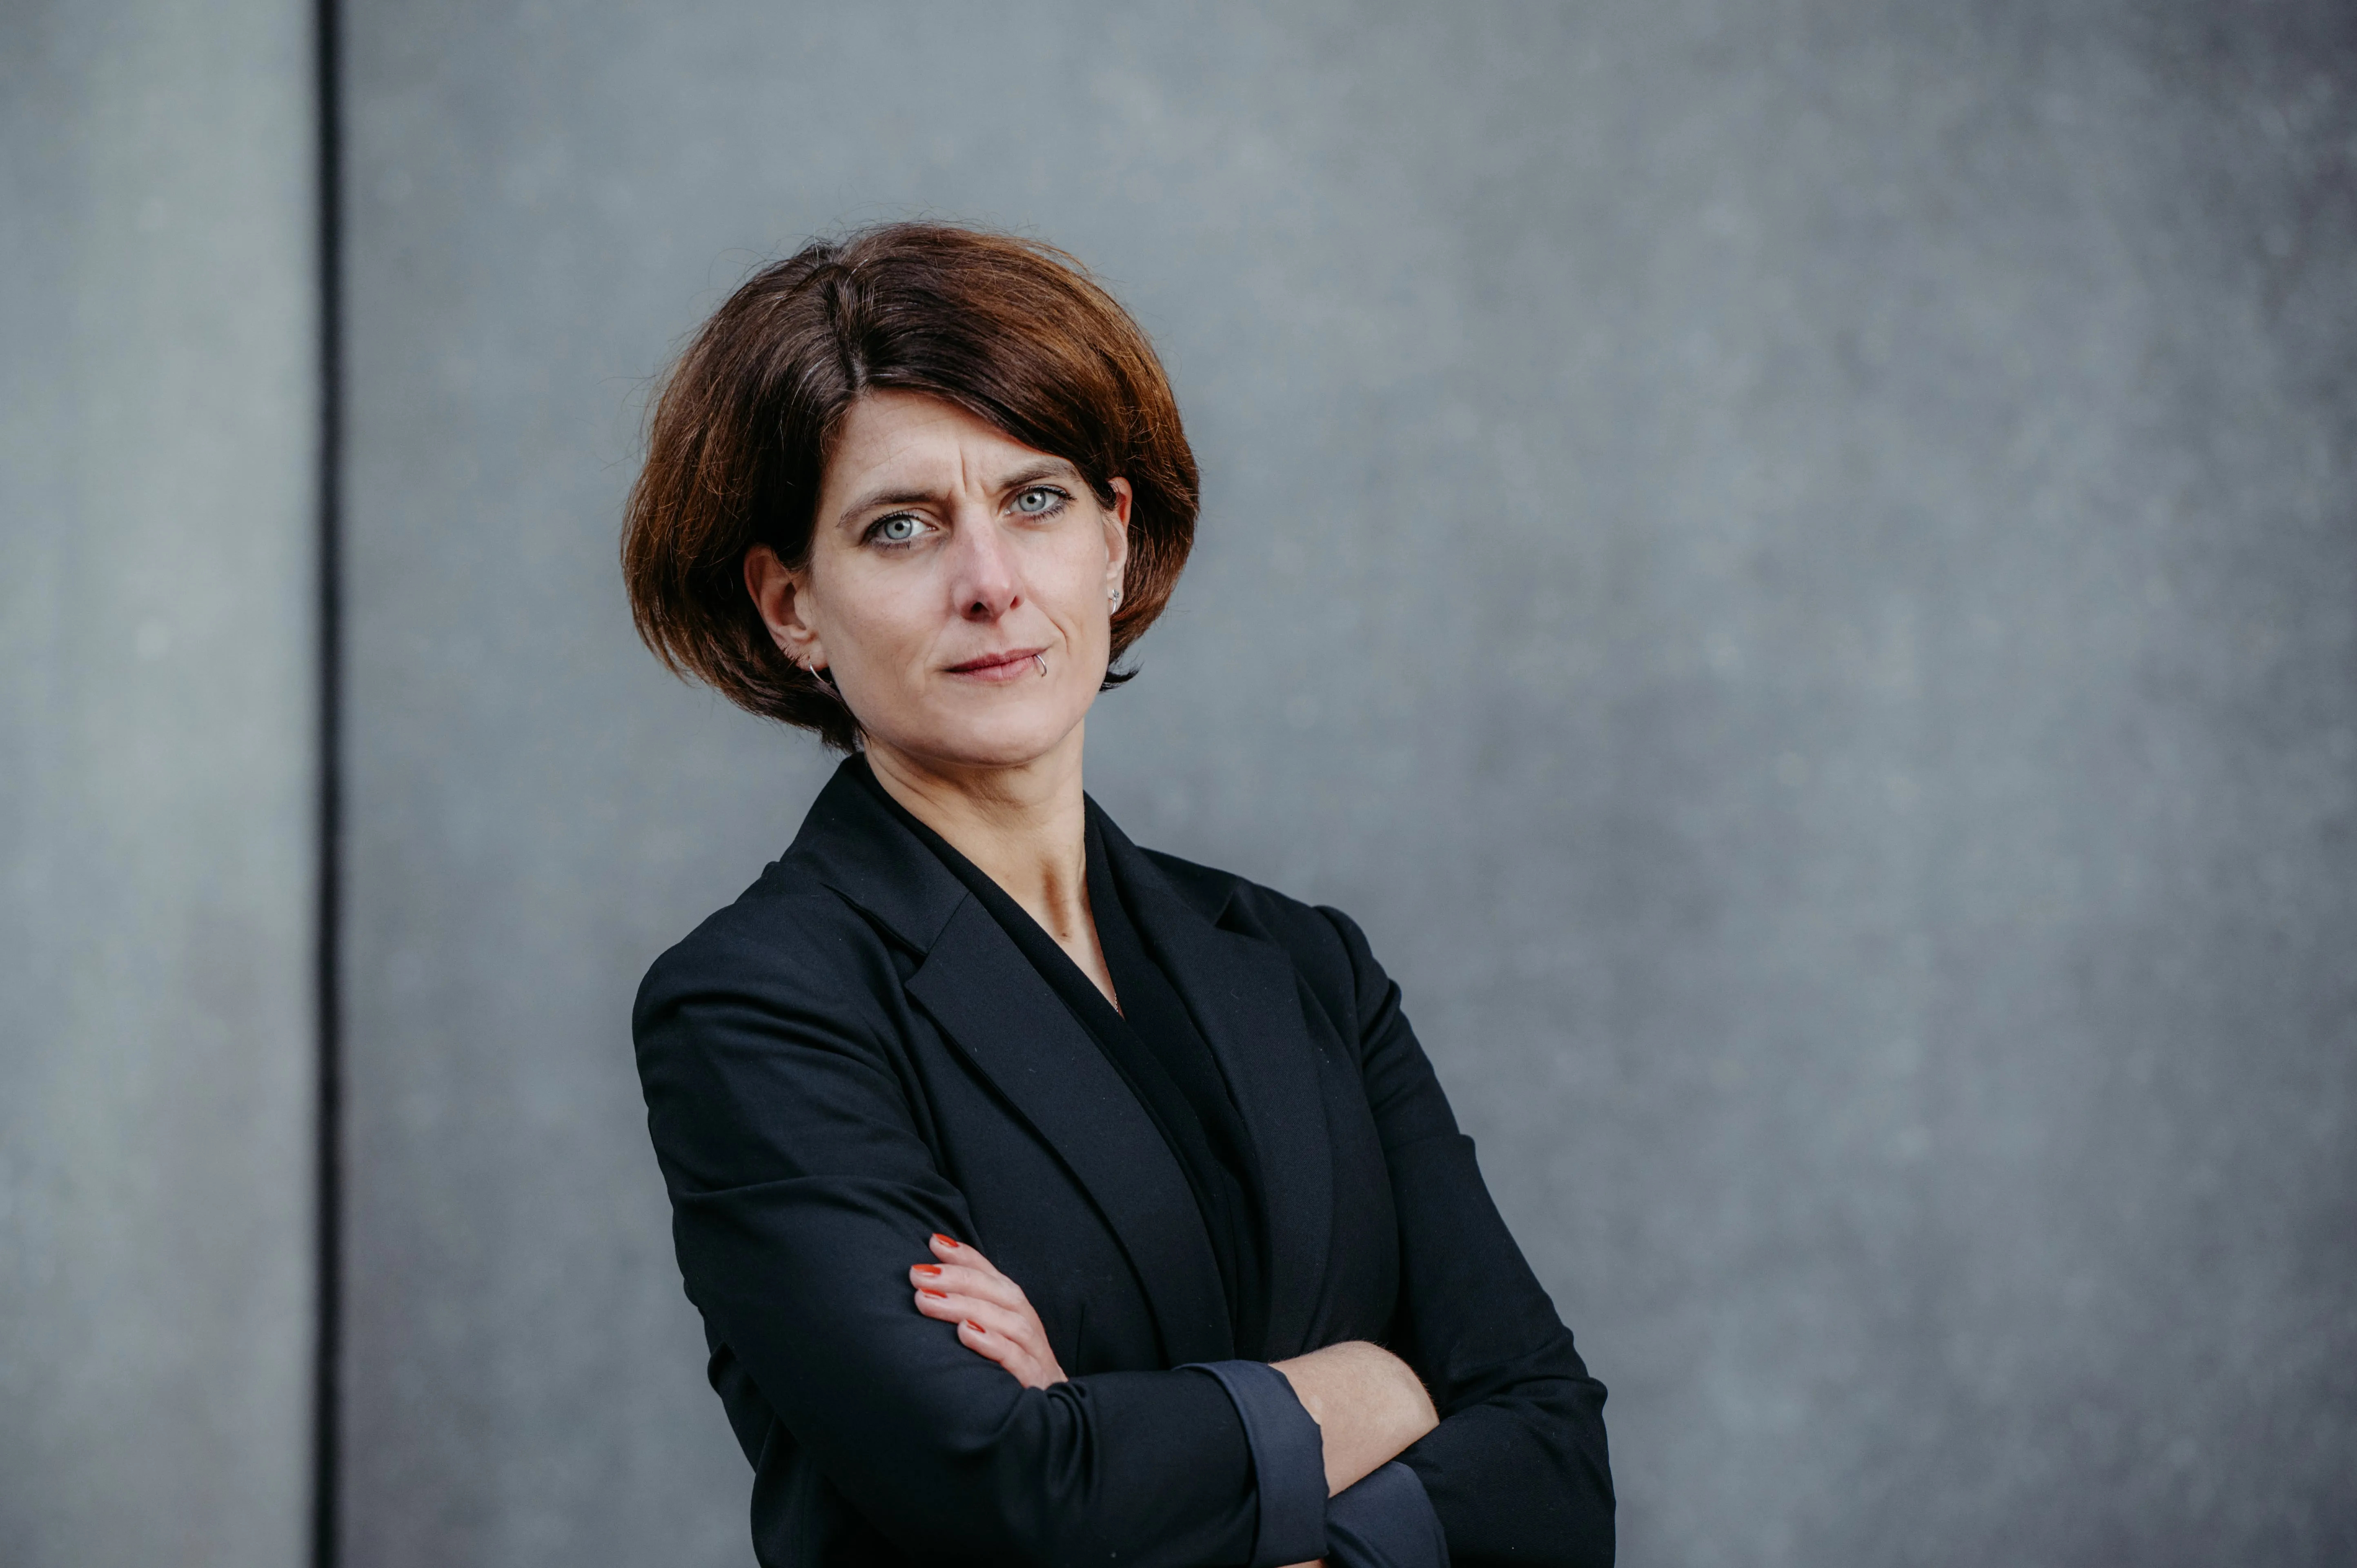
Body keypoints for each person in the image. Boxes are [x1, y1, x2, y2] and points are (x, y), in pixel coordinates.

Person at [622, 222, 1613, 1568]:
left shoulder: (1306, 965)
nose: (990, 585)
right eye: (902, 527)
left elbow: (1553, 1460)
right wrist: (1377, 1387)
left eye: (1034, 501)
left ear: (1114, 538)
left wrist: (1112, 1433)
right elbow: (1010, 1497)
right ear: (792, 606)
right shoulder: (758, 1006)